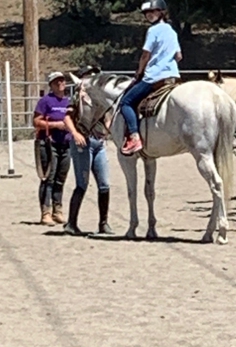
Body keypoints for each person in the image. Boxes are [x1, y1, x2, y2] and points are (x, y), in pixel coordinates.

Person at [118, 0, 182, 156]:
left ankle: (134, 137)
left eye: (153, 12)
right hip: (173, 75)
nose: (149, 15)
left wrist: (139, 73)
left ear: (161, 13)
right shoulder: (172, 32)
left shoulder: (153, 30)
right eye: (147, 13)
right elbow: (179, 56)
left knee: (125, 102)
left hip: (155, 76)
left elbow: (145, 54)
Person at [62, 65, 113, 236]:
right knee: (82, 184)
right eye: (90, 75)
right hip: (83, 142)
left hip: (98, 140)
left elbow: (106, 119)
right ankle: (71, 222)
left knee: (104, 184)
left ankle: (103, 223)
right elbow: (67, 117)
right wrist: (75, 133)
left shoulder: (100, 99)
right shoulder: (78, 97)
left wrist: (110, 131)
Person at [33, 71, 71, 226]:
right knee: (48, 177)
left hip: (66, 143)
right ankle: (45, 211)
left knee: (61, 178)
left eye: (62, 81)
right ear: (51, 85)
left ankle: (58, 209)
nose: (60, 83)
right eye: (57, 82)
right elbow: (36, 121)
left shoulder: (68, 102)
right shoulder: (45, 101)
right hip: (49, 143)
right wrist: (56, 125)